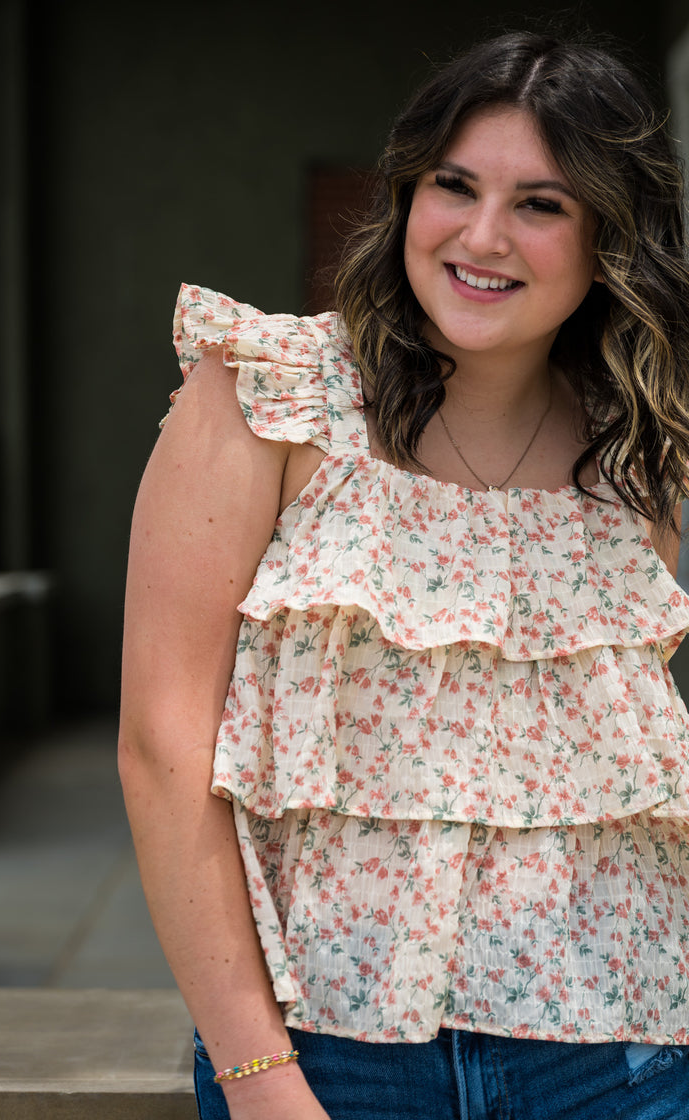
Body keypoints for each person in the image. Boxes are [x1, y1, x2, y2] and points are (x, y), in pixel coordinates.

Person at [118, 29, 689, 1120]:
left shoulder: (634, 450)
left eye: (540, 203)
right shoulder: (270, 399)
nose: (481, 236)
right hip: (331, 1058)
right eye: (454, 186)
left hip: (615, 1053)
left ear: (608, 235)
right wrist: (256, 1073)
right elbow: (160, 746)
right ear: (407, 194)